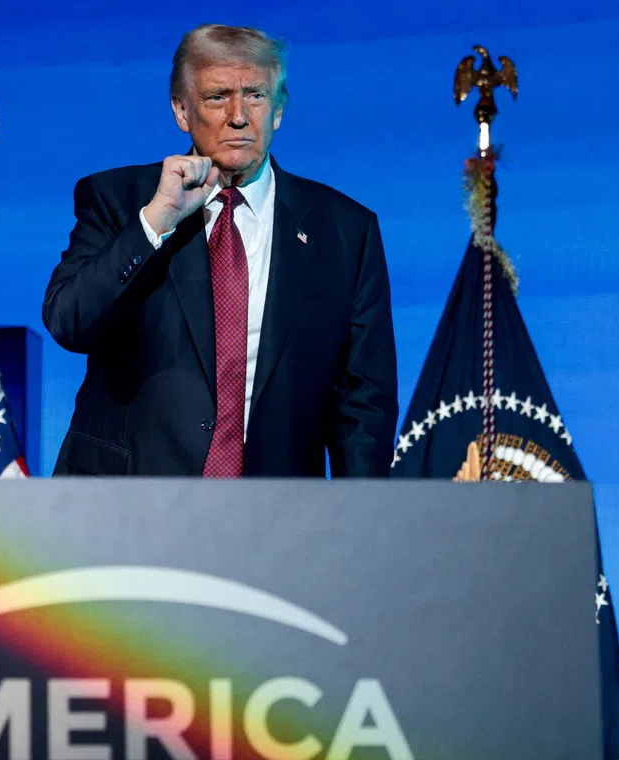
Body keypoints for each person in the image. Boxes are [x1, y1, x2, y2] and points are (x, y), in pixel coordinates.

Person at [43, 23, 397, 477]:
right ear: (181, 111)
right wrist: (156, 222)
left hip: (276, 515)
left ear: (279, 110)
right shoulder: (119, 200)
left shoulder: (345, 230)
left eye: (255, 95)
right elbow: (70, 322)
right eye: (217, 97)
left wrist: (360, 526)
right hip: (129, 504)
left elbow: (364, 404)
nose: (238, 115)